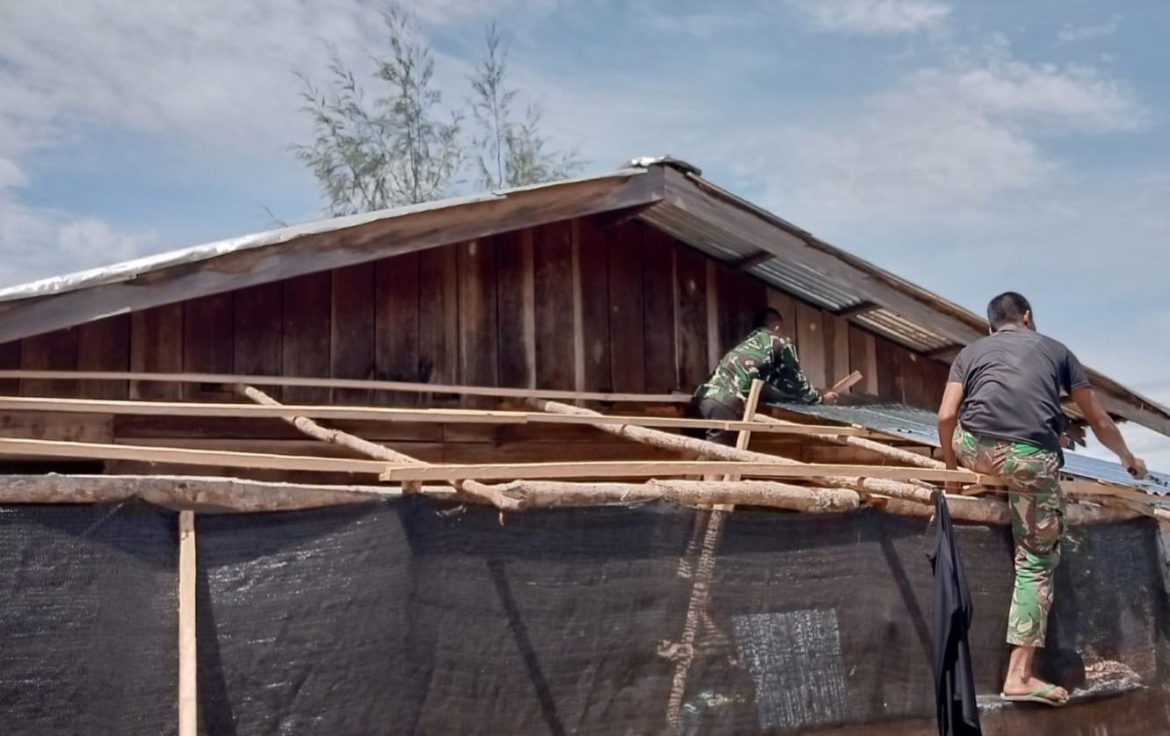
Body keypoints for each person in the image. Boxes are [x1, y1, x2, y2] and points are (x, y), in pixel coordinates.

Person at [936, 292, 1147, 706]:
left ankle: (992, 473)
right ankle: (1019, 675)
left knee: (981, 443)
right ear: (1028, 318)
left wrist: (951, 471)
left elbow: (945, 416)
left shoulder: (971, 353)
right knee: (1035, 560)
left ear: (991, 325)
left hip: (976, 448)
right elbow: (1099, 421)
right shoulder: (1056, 350)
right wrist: (1128, 459)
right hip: (1031, 459)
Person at [686, 307, 836, 445]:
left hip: (699, 400)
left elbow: (770, 386)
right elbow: (795, 381)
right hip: (723, 404)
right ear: (777, 326)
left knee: (693, 457)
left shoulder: (745, 346)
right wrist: (819, 397)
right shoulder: (778, 341)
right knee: (716, 462)